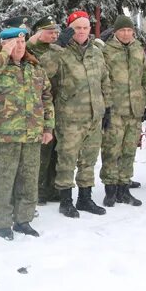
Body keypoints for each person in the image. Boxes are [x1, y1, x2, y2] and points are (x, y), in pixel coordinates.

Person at [0, 23, 53, 239]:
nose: (20, 46)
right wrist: (3, 54)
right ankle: (2, 223)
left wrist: (48, 127)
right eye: (14, 43)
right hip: (5, 136)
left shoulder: (35, 68)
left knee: (29, 180)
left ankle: (23, 220)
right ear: (4, 44)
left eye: (22, 42)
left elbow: (47, 98)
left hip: (32, 135)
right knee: (2, 181)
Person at [52, 11, 111, 217]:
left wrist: (107, 107)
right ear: (70, 29)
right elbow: (44, 71)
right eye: (77, 28)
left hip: (94, 115)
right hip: (69, 118)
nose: (82, 32)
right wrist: (58, 45)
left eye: (85, 28)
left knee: (89, 160)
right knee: (67, 159)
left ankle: (85, 198)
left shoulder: (96, 51)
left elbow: (104, 79)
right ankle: (65, 201)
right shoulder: (60, 51)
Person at [99, 16, 146, 207]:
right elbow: (101, 80)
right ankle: (110, 190)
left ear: (133, 32)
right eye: (122, 30)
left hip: (135, 109)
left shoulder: (138, 49)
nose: (126, 33)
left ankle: (124, 188)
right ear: (115, 32)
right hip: (115, 109)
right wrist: (105, 107)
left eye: (129, 30)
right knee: (111, 150)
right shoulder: (106, 51)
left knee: (129, 150)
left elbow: (145, 79)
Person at [26, 16, 63, 203]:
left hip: (56, 105)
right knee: (41, 152)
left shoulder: (58, 51)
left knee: (55, 149)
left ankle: (52, 187)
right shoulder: (27, 50)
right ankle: (37, 190)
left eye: (56, 32)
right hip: (35, 107)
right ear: (38, 33)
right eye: (49, 32)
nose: (54, 35)